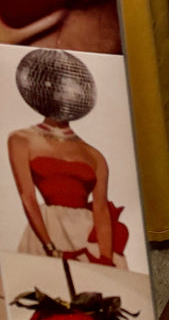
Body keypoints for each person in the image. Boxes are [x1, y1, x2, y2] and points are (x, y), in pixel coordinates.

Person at [7, 48, 126, 266]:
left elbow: (100, 211)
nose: (62, 94)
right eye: (56, 87)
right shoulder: (21, 140)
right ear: (43, 88)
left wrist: (105, 258)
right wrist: (49, 246)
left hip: (88, 236)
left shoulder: (94, 155)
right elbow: (27, 197)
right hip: (48, 230)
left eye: (68, 88)